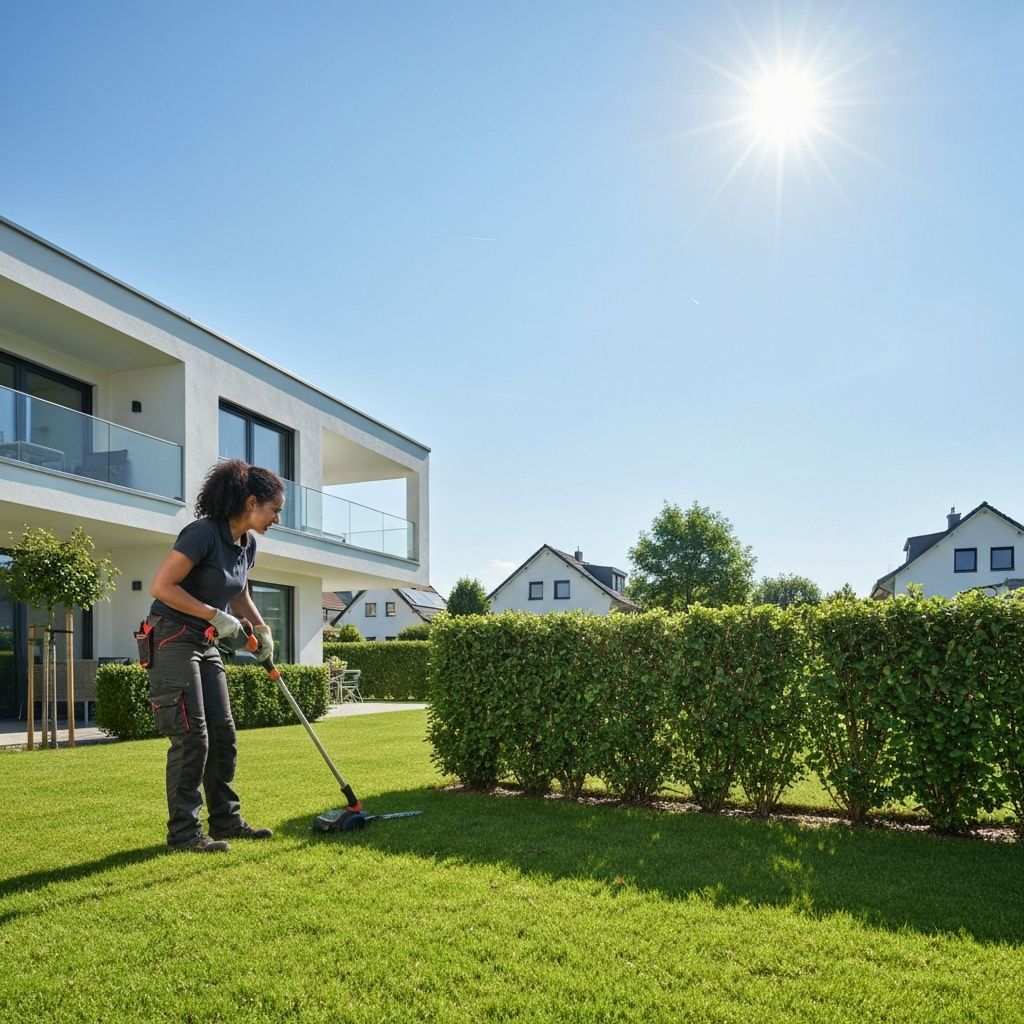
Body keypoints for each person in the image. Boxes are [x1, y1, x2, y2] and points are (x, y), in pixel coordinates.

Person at [146, 459, 284, 853]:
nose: (276, 518)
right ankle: (185, 834)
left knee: (223, 733)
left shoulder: (247, 544)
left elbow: (238, 591)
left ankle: (226, 820)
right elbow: (162, 586)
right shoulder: (202, 533)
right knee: (192, 737)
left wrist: (261, 629)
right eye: (274, 510)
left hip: (206, 642)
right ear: (251, 502)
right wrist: (215, 615)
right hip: (173, 637)